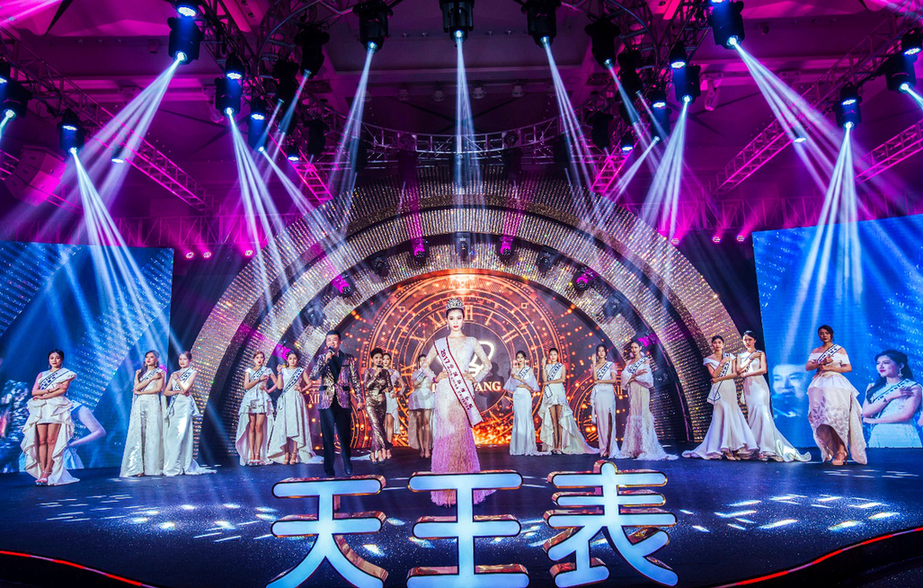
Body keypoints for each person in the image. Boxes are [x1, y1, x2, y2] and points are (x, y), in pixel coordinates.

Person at [421, 298, 494, 505]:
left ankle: (466, 486)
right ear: (446, 320)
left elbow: (487, 365)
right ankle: (445, 491)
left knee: (461, 436)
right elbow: (425, 366)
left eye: (458, 318)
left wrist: (475, 378)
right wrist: (436, 377)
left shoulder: (471, 341)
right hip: (444, 392)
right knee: (445, 437)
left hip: (463, 391)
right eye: (451, 318)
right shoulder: (439, 343)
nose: (455, 322)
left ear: (463, 319)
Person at [736, 332, 810, 462]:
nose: (747, 342)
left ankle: (766, 448)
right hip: (748, 388)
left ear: (754, 340)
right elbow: (739, 370)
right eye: (745, 340)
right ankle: (755, 446)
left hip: (759, 386)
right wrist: (750, 359)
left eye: (750, 339)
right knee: (752, 416)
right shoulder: (740, 356)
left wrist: (747, 373)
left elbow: (763, 370)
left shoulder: (760, 353)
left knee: (763, 415)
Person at [683, 336, 757, 460]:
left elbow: (735, 373)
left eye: (719, 342)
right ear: (712, 344)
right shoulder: (708, 359)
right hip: (719, 389)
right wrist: (722, 363)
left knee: (733, 417)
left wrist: (719, 378)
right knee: (722, 416)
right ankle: (726, 449)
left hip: (729, 387)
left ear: (723, 344)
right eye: (715, 343)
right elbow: (714, 375)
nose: (717, 345)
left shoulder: (730, 356)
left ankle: (736, 448)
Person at [805, 325, 867, 465]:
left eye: (827, 333)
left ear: (831, 334)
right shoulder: (816, 351)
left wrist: (830, 367)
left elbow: (848, 367)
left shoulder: (840, 349)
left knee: (837, 418)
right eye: (821, 333)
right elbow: (808, 367)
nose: (824, 335)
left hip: (836, 384)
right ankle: (834, 450)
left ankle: (841, 451)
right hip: (820, 385)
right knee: (826, 420)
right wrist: (820, 363)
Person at [310, 329, 364, 478]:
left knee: (345, 435)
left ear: (340, 342)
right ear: (326, 343)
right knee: (328, 438)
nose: (331, 342)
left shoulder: (348, 358)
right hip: (326, 402)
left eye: (334, 340)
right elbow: (313, 375)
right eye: (329, 340)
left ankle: (347, 463)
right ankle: (329, 469)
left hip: (343, 400)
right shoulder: (322, 358)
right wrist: (325, 360)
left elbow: (355, 380)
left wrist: (360, 399)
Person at [21, 350, 78, 486]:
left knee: (52, 440)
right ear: (48, 360)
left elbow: (62, 390)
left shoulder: (66, 373)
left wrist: (43, 396)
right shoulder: (42, 374)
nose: (54, 360)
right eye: (52, 358)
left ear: (61, 359)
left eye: (57, 358)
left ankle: (47, 471)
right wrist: (49, 391)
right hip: (41, 408)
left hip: (56, 407)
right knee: (41, 440)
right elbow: (34, 391)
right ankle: (42, 471)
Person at [614, 340, 675, 461]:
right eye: (632, 348)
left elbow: (646, 378)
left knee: (643, 415)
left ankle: (645, 448)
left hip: (642, 390)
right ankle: (633, 448)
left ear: (640, 348)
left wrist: (632, 377)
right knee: (634, 415)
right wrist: (635, 375)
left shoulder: (645, 360)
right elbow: (623, 378)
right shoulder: (629, 362)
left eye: (635, 347)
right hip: (633, 390)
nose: (633, 350)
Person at [163, 351, 215, 476]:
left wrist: (178, 380)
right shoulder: (174, 373)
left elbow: (186, 388)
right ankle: (173, 464)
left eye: (184, 359)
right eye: (180, 359)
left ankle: (183, 464)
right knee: (172, 435)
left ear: (189, 360)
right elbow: (166, 392)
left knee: (182, 434)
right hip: (175, 404)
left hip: (185, 405)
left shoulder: (192, 372)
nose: (181, 361)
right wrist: (177, 391)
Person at [538, 347, 595, 455]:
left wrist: (550, 382)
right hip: (550, 394)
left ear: (557, 356)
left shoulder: (561, 366)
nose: (553, 356)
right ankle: (555, 445)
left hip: (559, 392)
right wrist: (543, 366)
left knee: (560, 420)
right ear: (549, 356)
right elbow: (544, 380)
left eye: (555, 354)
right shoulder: (547, 366)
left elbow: (562, 379)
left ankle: (560, 445)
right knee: (553, 420)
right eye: (551, 355)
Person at [862, 350, 922, 448]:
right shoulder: (872, 387)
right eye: (878, 363)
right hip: (878, 436)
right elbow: (866, 413)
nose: (881, 366)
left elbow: (906, 415)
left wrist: (874, 421)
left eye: (886, 363)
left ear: (900, 366)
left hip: (902, 435)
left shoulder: (912, 387)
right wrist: (890, 396)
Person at [120, 350, 166, 477]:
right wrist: (149, 378)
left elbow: (158, 389)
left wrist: (141, 392)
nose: (148, 359)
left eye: (151, 357)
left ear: (156, 359)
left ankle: (151, 467)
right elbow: (136, 388)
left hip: (152, 402)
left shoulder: (160, 372)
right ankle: (137, 467)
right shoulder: (140, 372)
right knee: (138, 432)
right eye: (147, 357)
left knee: (152, 433)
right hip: (140, 403)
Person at [269, 351, 315, 465]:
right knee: (284, 426)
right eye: (290, 358)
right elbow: (280, 386)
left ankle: (294, 453)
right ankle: (286, 453)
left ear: (297, 360)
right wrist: (279, 373)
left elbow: (309, 383)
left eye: (294, 358)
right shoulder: (283, 371)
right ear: (287, 360)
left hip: (296, 399)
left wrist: (302, 389)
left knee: (295, 426)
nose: (293, 361)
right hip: (285, 399)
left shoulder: (300, 370)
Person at [235, 351, 277, 466]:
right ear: (254, 359)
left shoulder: (267, 370)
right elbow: (246, 386)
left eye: (261, 358)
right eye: (257, 357)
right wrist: (259, 379)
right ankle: (251, 454)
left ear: (264, 359)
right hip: (250, 398)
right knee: (251, 426)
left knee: (259, 426)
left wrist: (268, 390)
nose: (259, 359)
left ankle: (258, 454)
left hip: (262, 398)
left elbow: (278, 384)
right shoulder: (249, 371)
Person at [503, 350, 540, 456]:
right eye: (518, 357)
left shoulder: (529, 370)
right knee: (518, 419)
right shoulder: (514, 370)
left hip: (526, 396)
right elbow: (514, 384)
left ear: (525, 359)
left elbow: (532, 387)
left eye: (521, 357)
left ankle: (528, 447)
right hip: (517, 395)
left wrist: (522, 382)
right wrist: (524, 383)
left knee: (527, 418)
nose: (520, 359)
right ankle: (519, 448)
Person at [363, 348, 392, 463]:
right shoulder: (368, 371)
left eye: (380, 358)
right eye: (376, 358)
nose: (379, 360)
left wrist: (387, 389)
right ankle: (385, 444)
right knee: (375, 425)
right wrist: (375, 375)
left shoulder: (385, 372)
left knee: (378, 428)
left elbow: (390, 386)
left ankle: (374, 453)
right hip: (371, 402)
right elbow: (367, 386)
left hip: (382, 402)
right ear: (372, 359)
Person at [590, 344, 619, 458]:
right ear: (596, 353)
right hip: (599, 395)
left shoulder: (611, 365)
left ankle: (610, 448)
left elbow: (613, 380)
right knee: (601, 422)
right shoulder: (594, 366)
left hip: (608, 393)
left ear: (606, 353)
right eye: (599, 351)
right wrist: (594, 364)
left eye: (603, 351)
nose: (601, 353)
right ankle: (603, 449)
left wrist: (600, 381)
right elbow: (594, 379)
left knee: (610, 420)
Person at [407, 354, 435, 458]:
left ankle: (427, 448)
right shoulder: (416, 373)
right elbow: (415, 384)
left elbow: (433, 382)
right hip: (417, 397)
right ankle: (422, 448)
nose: (423, 362)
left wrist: (427, 373)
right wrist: (423, 374)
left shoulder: (430, 372)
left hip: (428, 397)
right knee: (419, 423)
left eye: (425, 360)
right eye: (421, 360)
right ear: (418, 362)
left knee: (426, 423)